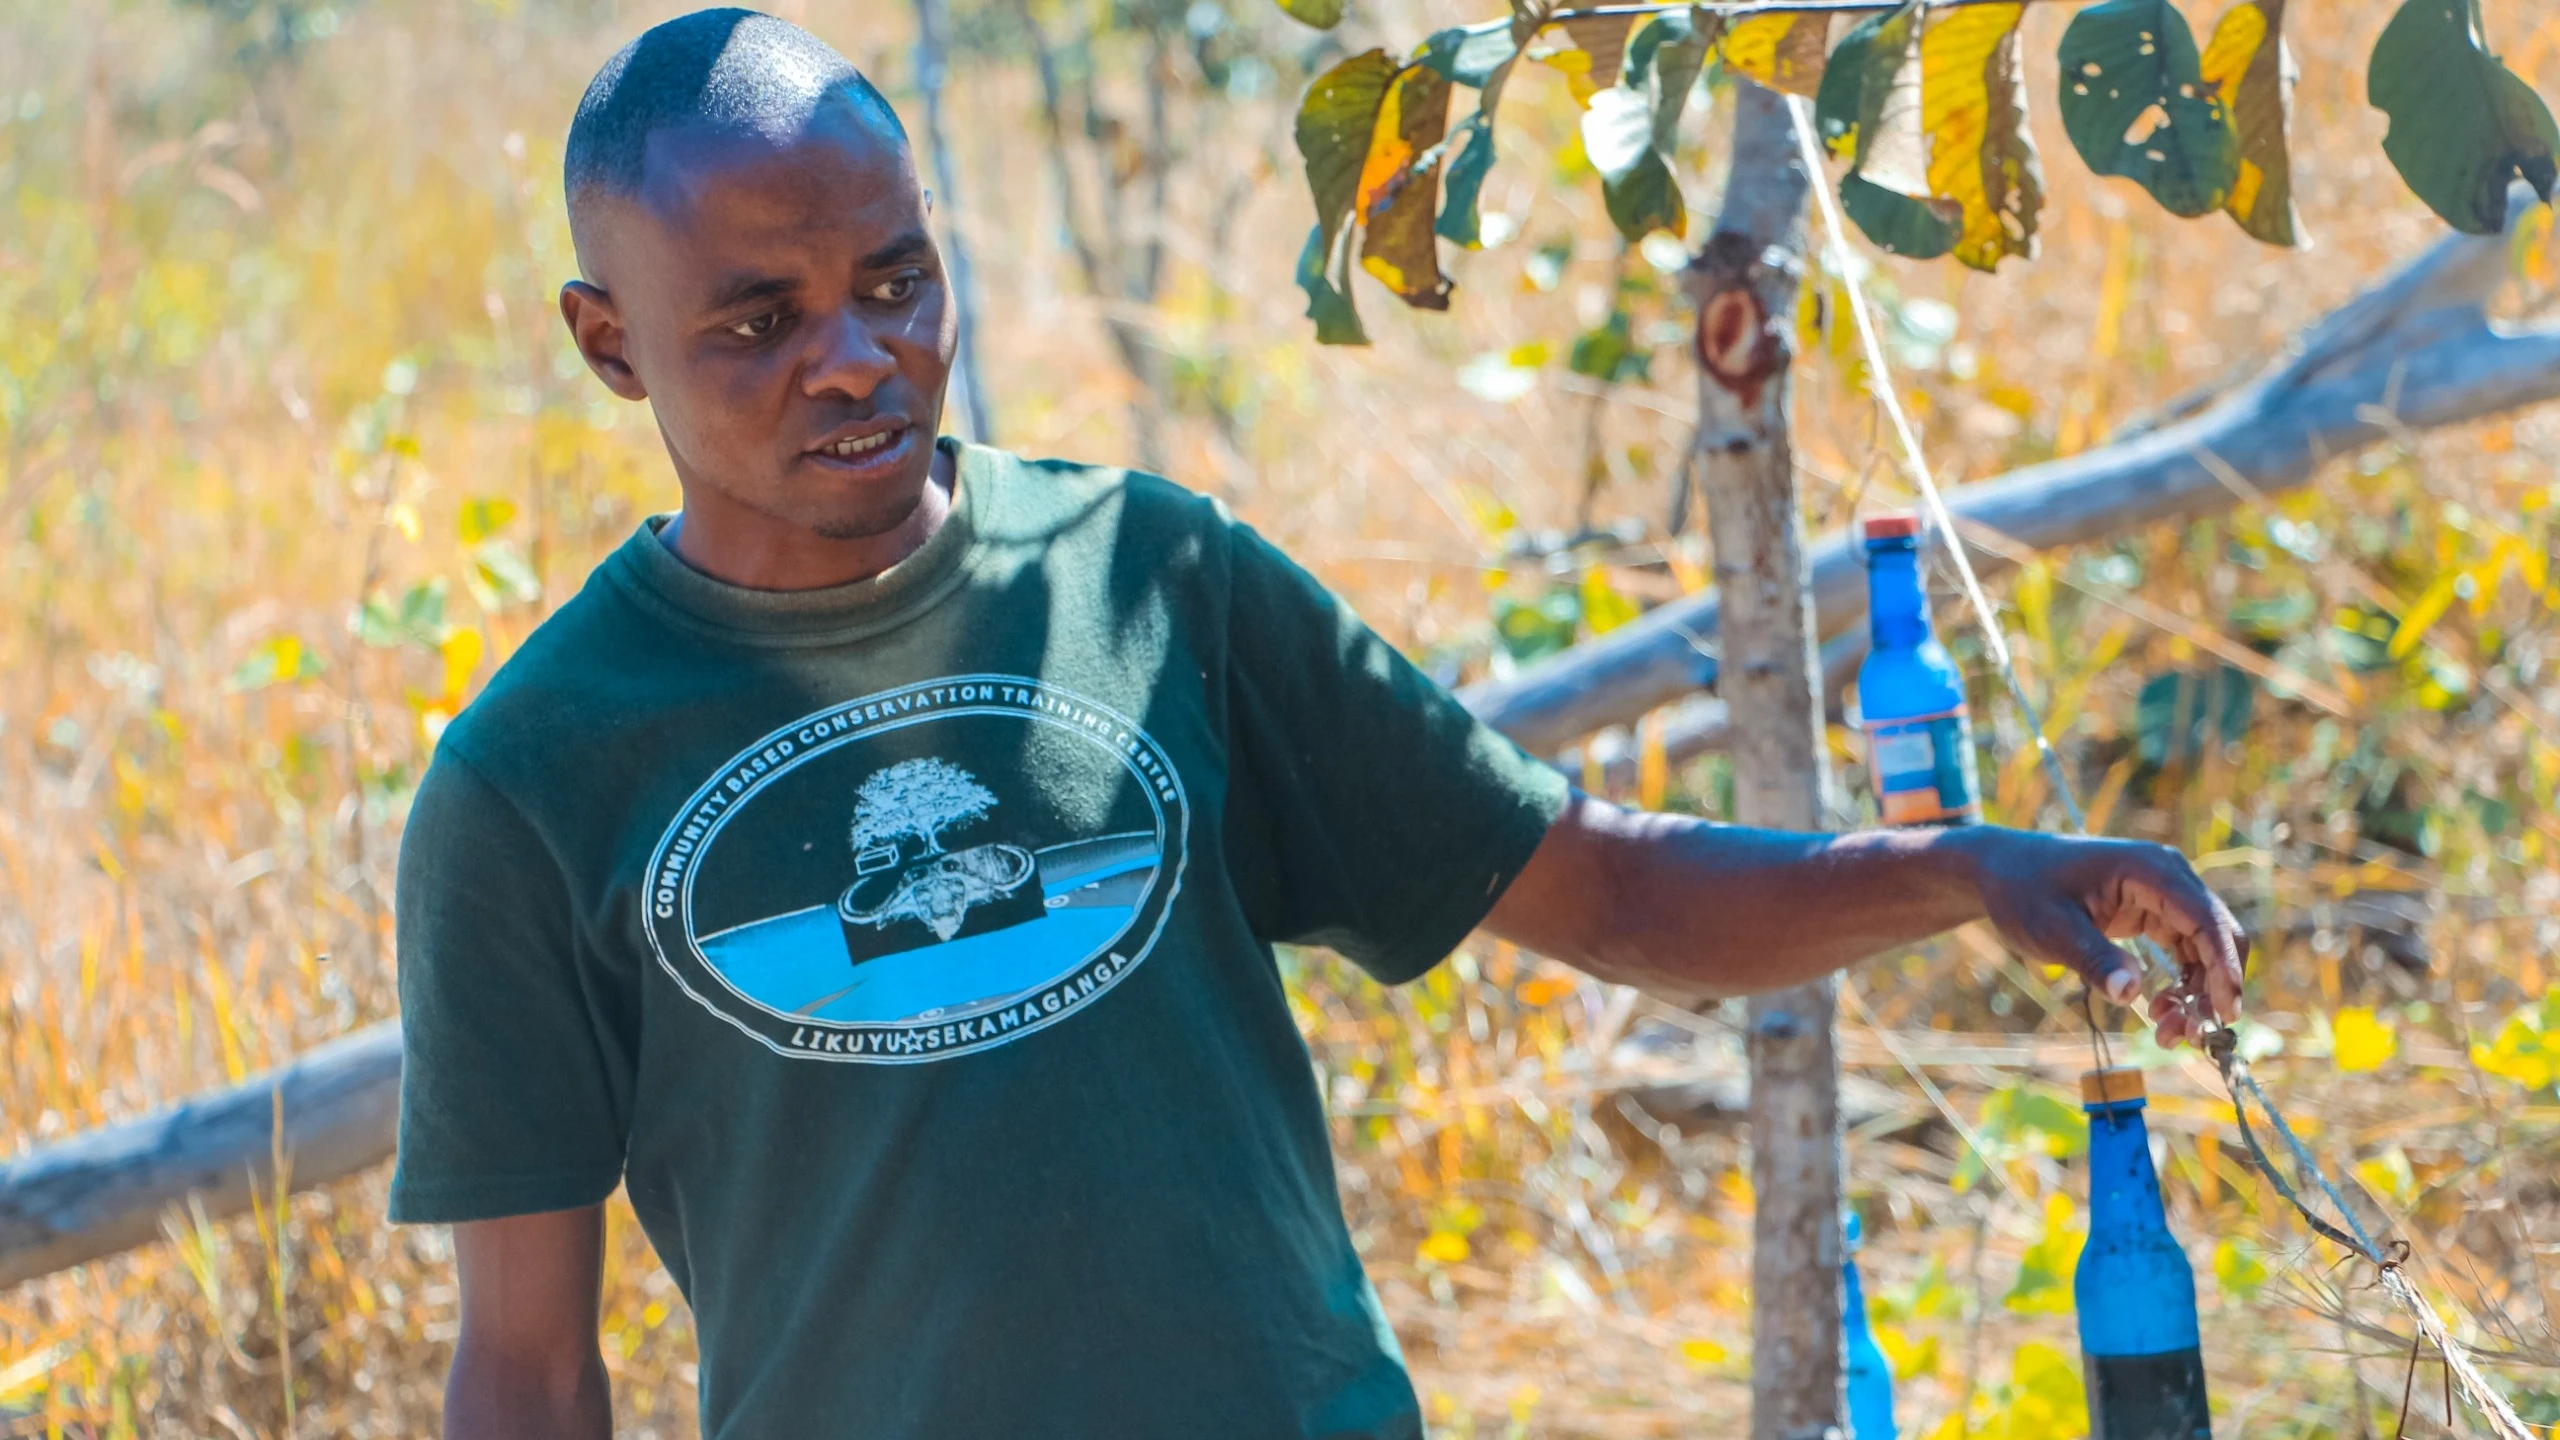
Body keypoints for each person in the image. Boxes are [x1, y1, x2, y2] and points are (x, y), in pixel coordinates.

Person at [390, 10, 2248, 1438]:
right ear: (607, 340)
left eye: (895, 281)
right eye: (757, 322)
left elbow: (1598, 889)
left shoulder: (1149, 577)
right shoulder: (538, 778)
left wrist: (1966, 870)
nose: (858, 355)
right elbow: (532, 1374)